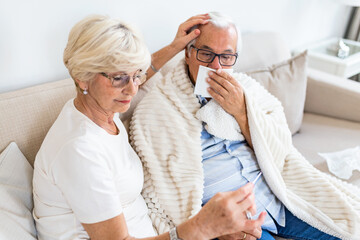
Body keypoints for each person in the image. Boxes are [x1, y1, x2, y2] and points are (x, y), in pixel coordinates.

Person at [32, 14, 267, 240]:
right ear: (82, 77)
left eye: (135, 75)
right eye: (119, 78)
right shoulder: (79, 149)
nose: (133, 89)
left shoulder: (99, 108)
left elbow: (142, 70)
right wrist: (202, 227)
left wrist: (175, 46)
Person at [130, 12, 360, 240]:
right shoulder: (158, 107)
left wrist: (242, 111)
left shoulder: (246, 88)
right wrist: (211, 226)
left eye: (226, 57)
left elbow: (280, 147)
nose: (216, 66)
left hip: (277, 194)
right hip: (231, 219)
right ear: (188, 53)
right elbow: (168, 189)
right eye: (206, 54)